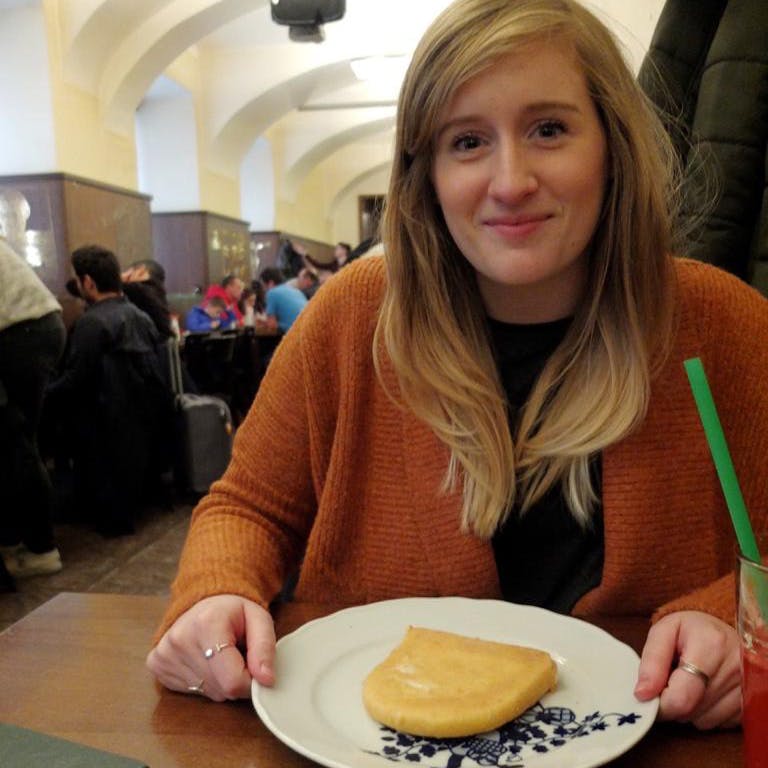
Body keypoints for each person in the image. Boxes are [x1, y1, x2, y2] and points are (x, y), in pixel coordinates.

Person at [147, 0, 767, 731]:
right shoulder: (352, 318)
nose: (510, 181)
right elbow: (246, 507)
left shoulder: (723, 324)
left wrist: (731, 620)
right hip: (360, 740)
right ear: (427, 175)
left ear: (612, 145)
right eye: (467, 141)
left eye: (549, 129)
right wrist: (219, 591)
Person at [47, 245, 170, 536]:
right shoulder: (142, 318)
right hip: (141, 423)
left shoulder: (91, 323)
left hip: (103, 425)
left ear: (88, 282)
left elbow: (75, 381)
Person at [0, 236, 66, 578]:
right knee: (19, 442)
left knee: (18, 443)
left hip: (19, 332)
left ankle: (41, 548)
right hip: (38, 324)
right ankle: (17, 541)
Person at [257, 266, 308, 333]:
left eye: (263, 286)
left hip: (294, 334)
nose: (263, 290)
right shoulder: (297, 291)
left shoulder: (272, 293)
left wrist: (262, 323)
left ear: (270, 283)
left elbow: (272, 326)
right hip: (308, 330)